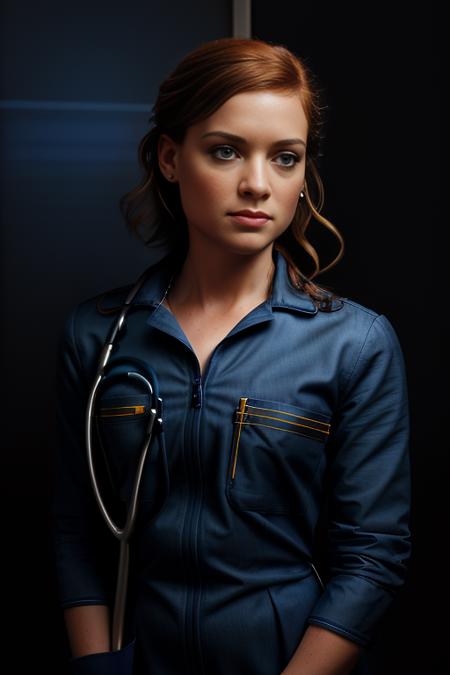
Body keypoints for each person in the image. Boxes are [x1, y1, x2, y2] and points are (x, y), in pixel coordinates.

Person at [53, 37, 412, 675]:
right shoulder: (96, 334)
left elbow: (372, 557)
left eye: (285, 158)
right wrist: (96, 666)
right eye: (225, 151)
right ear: (170, 157)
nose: (256, 184)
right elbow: (75, 532)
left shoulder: (355, 344)